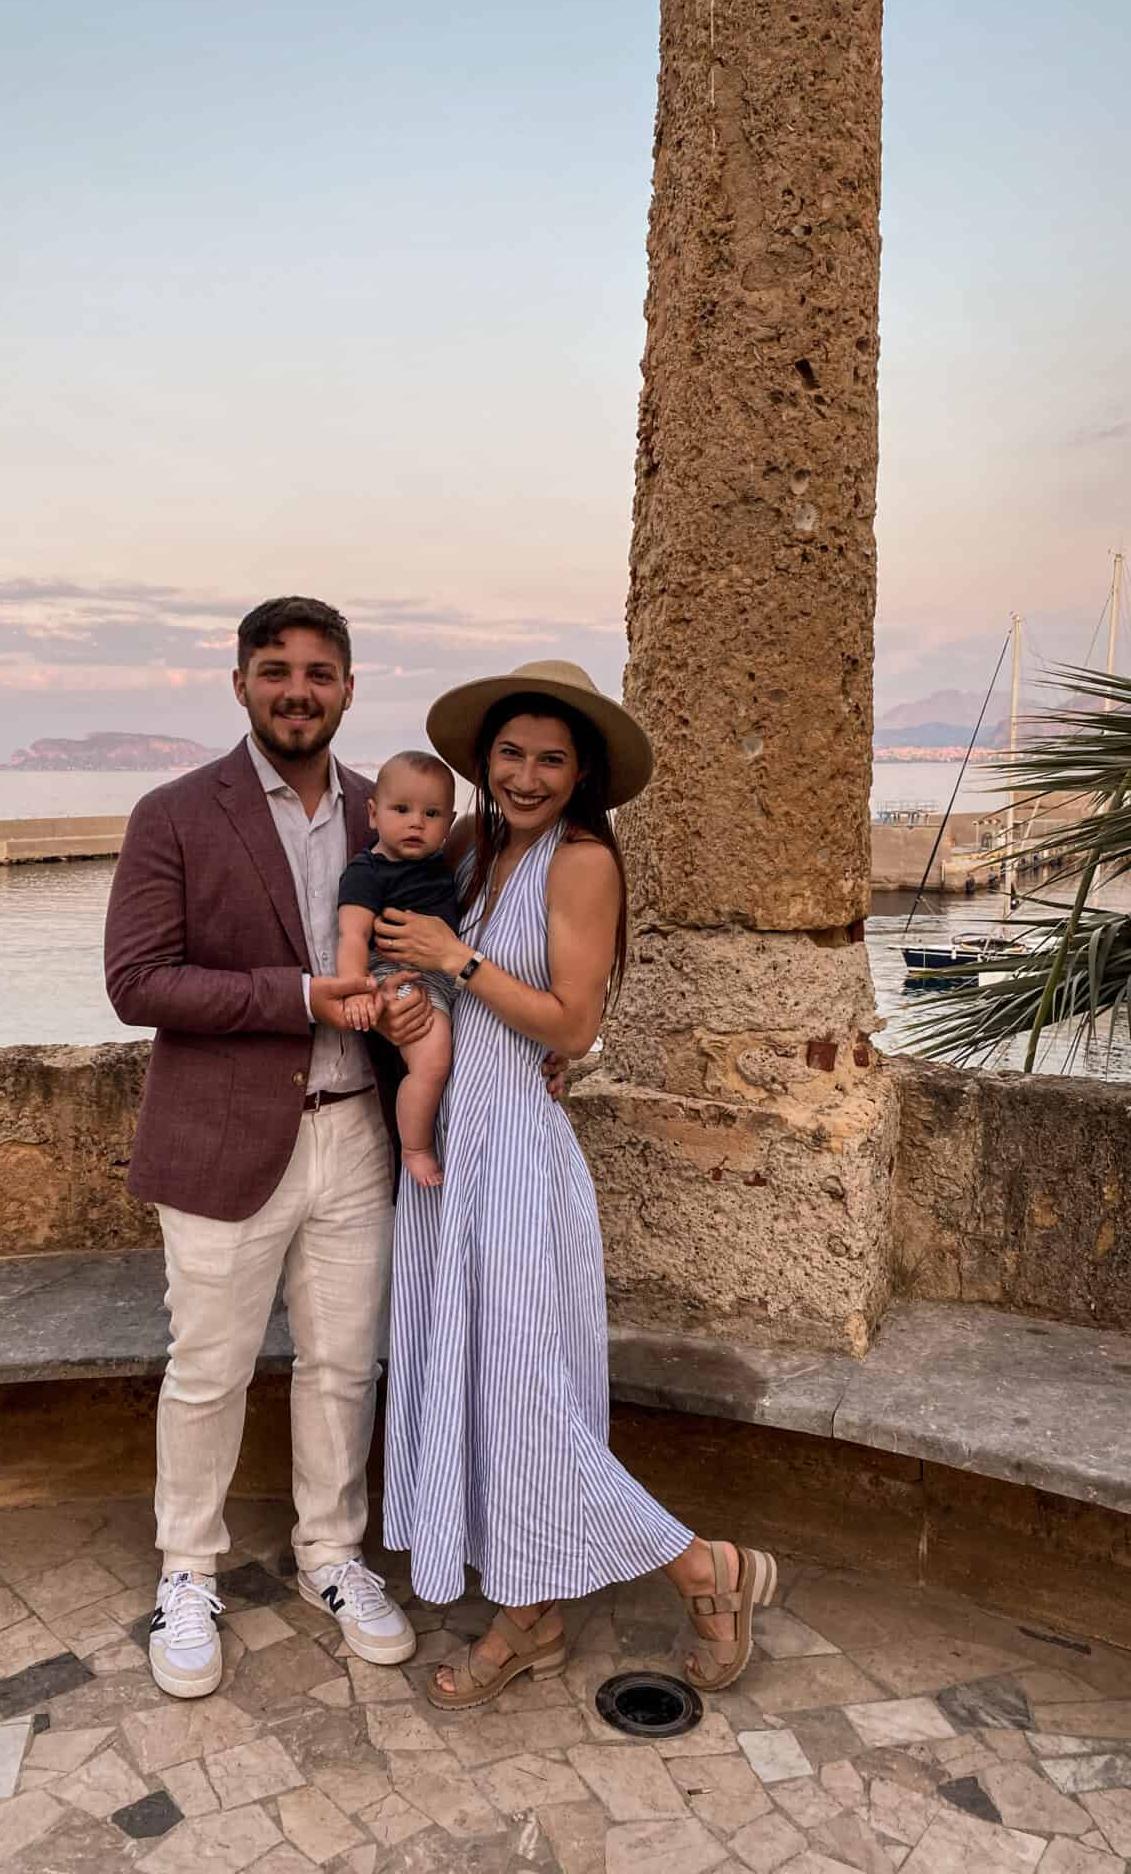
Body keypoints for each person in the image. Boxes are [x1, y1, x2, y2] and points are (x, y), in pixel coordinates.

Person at [372, 659, 779, 1709]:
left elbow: (574, 1024)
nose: (527, 773)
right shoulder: (476, 848)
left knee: (530, 1398)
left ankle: (706, 1568)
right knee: (488, 1390)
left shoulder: (582, 857)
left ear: (582, 769)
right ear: (483, 761)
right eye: (511, 753)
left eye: (552, 757)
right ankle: (530, 1613)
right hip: (455, 1151)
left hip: (513, 1159)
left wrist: (455, 965)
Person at [103, 596, 430, 1699]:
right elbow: (136, 982)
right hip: (224, 1143)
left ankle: (330, 1555)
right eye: (276, 669)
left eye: (320, 672)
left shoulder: (383, 813)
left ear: (349, 687)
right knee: (209, 1371)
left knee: (345, 1364)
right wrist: (297, 996)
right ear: (239, 682)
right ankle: (186, 1570)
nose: (299, 689)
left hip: (359, 1140)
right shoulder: (175, 813)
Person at [336, 751, 461, 1187]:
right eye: (402, 810)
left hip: (446, 973)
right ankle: (415, 1145)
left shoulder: (440, 865)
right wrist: (357, 991)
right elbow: (351, 936)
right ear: (373, 813)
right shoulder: (367, 871)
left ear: (449, 822)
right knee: (432, 1058)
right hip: (395, 974)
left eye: (431, 814)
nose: (416, 823)